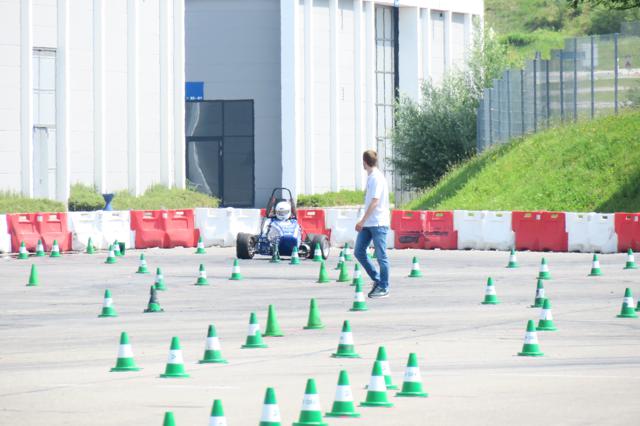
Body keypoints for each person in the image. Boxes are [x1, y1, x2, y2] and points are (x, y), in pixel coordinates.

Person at [354, 150, 391, 298]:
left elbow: (375, 201)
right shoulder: (371, 177)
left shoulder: (377, 178)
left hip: (378, 223)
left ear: (364, 162)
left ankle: (384, 286)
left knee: (381, 256)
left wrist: (362, 221)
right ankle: (377, 280)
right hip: (369, 223)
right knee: (359, 251)